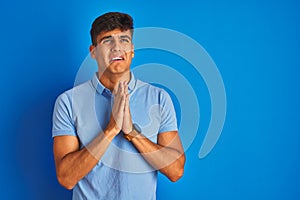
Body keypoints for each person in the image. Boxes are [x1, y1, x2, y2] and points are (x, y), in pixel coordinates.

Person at [52, 11, 186, 200]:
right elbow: (66, 178)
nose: (116, 47)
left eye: (123, 40)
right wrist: (111, 129)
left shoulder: (159, 98)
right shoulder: (67, 102)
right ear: (93, 51)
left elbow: (176, 170)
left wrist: (132, 132)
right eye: (107, 40)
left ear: (132, 49)